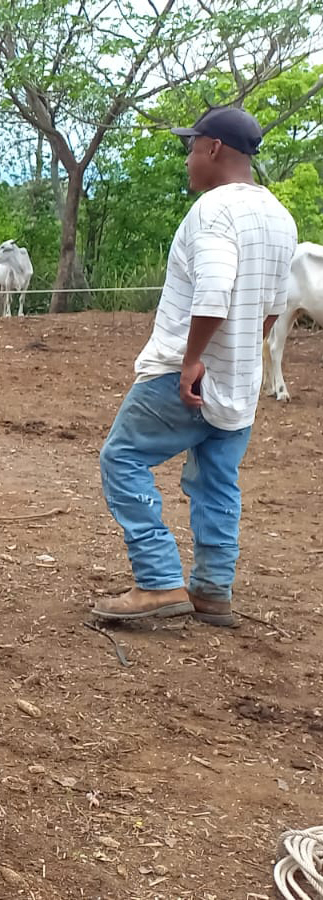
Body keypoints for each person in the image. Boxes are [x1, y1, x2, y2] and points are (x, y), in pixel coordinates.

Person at [91, 107, 297, 626]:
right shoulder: (280, 217)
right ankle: (212, 590)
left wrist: (191, 362)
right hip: (240, 381)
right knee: (217, 480)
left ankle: (159, 580)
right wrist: (240, 352)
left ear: (214, 148)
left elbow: (213, 292)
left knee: (121, 458)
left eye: (192, 147)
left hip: (186, 375)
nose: (187, 159)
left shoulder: (213, 211)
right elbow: (273, 307)